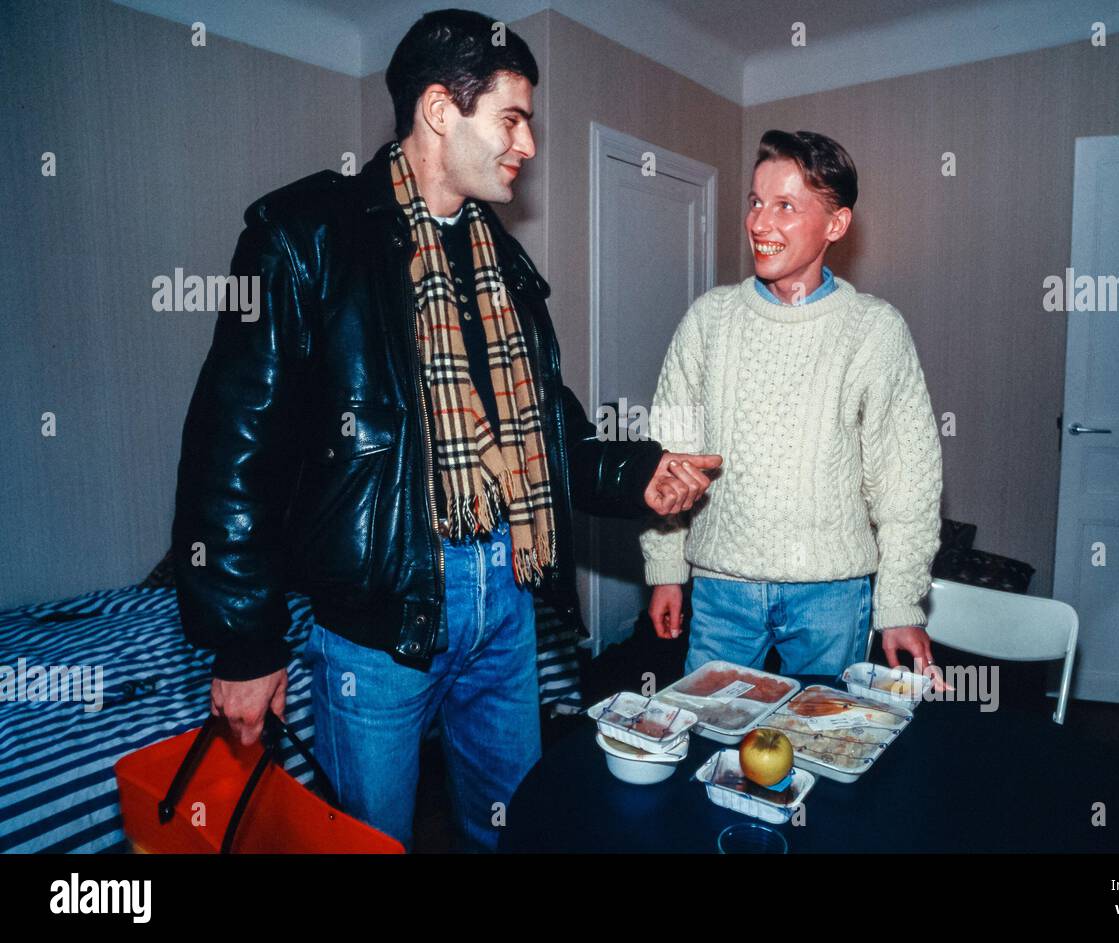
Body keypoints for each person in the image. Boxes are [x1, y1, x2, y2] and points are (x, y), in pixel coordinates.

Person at [172, 9, 721, 853]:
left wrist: (641, 473)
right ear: (439, 109)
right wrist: (244, 641)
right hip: (378, 619)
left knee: (515, 824)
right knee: (372, 842)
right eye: (512, 117)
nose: (527, 145)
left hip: (506, 600)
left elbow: (551, 433)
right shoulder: (307, 238)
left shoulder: (503, 264)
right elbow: (232, 446)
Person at [641, 129, 944, 682]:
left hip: (831, 596)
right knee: (712, 742)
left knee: (823, 745)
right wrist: (665, 567)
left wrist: (900, 603)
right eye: (756, 202)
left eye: (784, 205)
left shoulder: (874, 330)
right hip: (720, 588)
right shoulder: (710, 320)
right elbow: (668, 457)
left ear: (836, 224)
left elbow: (907, 482)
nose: (760, 223)